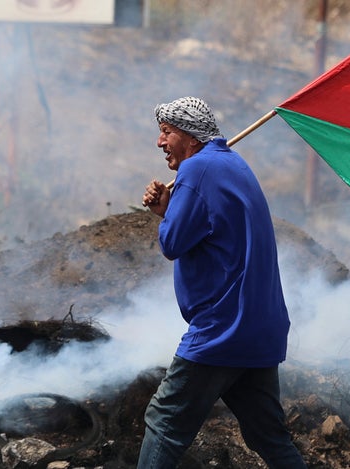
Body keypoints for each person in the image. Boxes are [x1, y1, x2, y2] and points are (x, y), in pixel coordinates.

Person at [139, 96, 306, 469]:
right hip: (260, 327)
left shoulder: (196, 169)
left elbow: (172, 243)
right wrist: (171, 208)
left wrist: (165, 216)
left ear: (191, 137)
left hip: (222, 329)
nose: (160, 142)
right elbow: (206, 228)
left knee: (164, 422)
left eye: (166, 133)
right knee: (268, 435)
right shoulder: (231, 164)